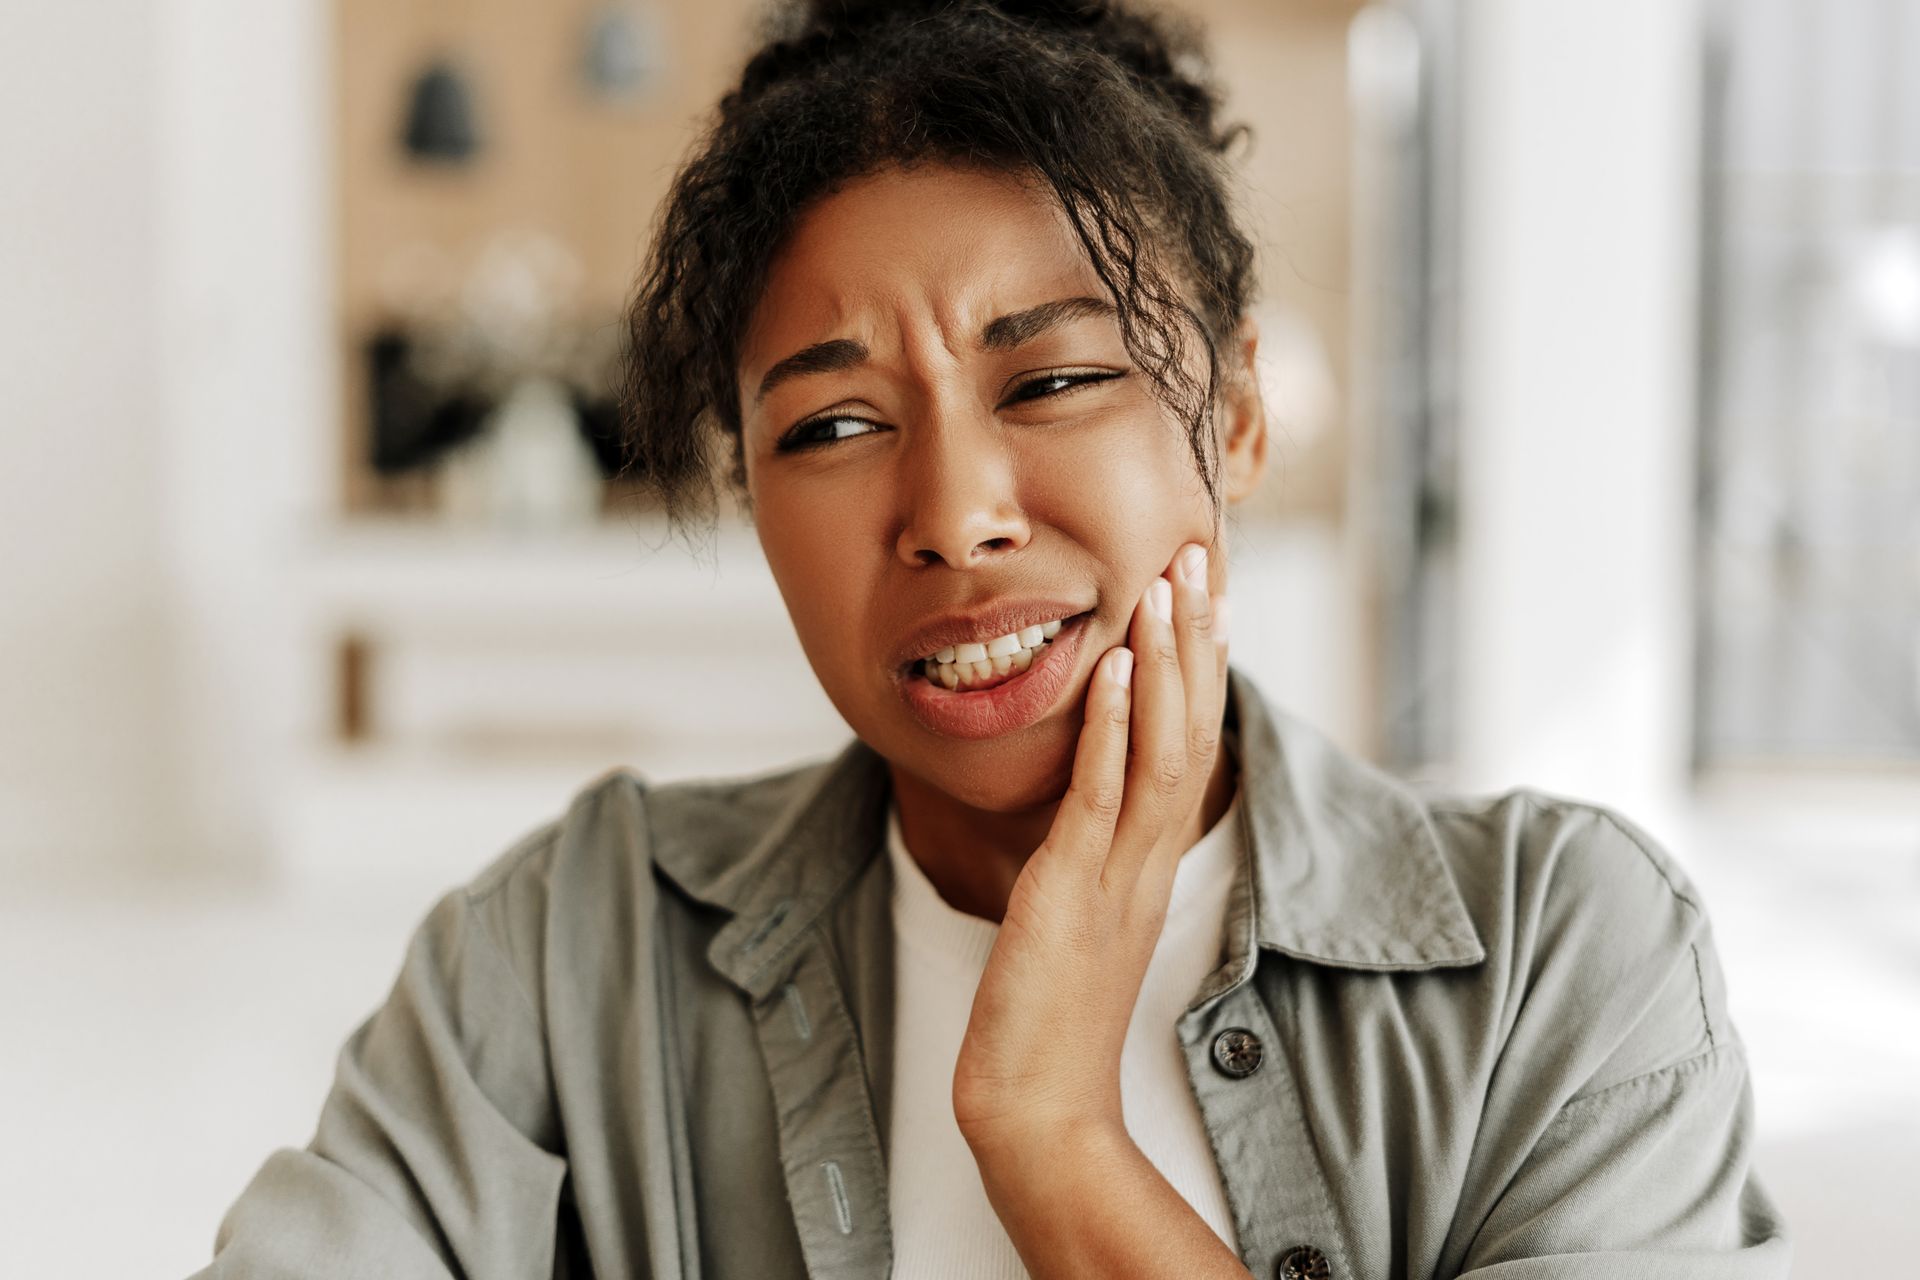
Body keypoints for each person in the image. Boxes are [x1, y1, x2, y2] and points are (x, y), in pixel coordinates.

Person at [195, 1, 1790, 1277]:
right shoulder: (561, 958)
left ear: (1230, 418)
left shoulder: (1563, 963)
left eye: (1051, 381)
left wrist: (1051, 1137)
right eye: (830, 423)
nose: (953, 514)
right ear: (747, 490)